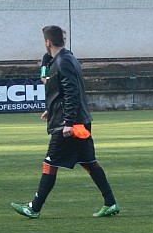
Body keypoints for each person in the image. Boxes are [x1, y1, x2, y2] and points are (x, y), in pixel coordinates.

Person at [11, 25, 119, 218]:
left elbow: (71, 91)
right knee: (89, 162)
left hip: (70, 124)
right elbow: (59, 89)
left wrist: (68, 121)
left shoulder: (63, 61)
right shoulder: (67, 58)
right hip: (79, 121)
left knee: (50, 162)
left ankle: (34, 208)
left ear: (47, 42)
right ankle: (110, 203)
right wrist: (52, 109)